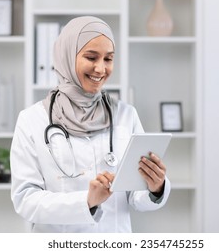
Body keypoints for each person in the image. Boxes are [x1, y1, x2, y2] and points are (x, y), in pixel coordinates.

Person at [10, 16, 171, 232]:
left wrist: (155, 187)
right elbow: (25, 199)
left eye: (108, 59)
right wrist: (86, 201)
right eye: (91, 57)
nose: (100, 69)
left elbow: (135, 196)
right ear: (67, 56)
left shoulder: (125, 115)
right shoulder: (32, 120)